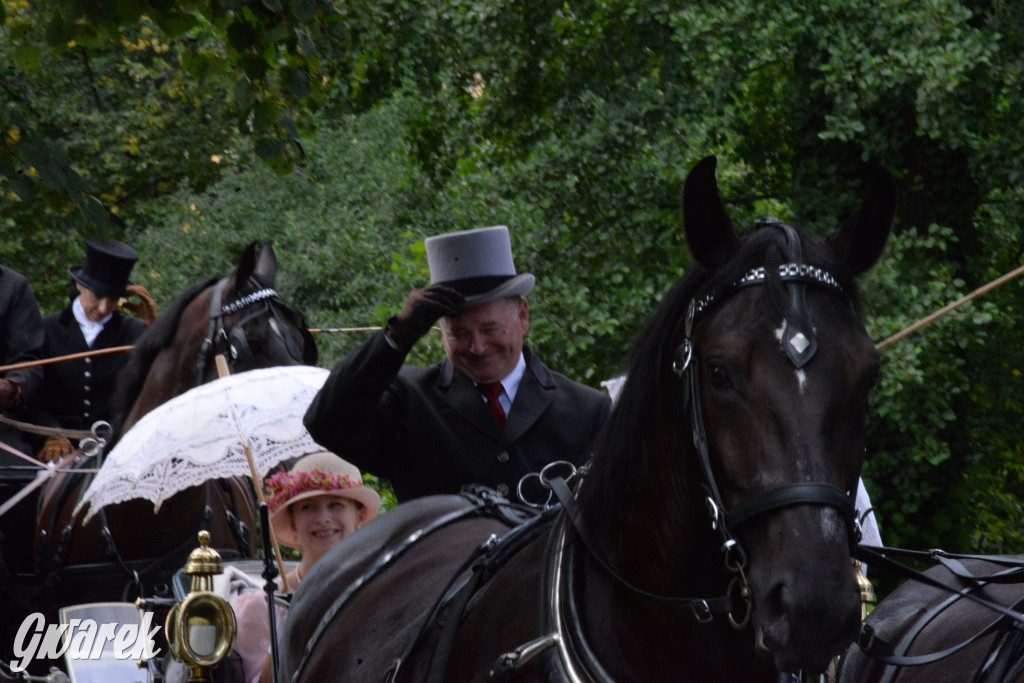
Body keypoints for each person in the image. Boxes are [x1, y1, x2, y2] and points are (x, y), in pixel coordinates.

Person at [304, 225, 611, 503]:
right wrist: (397, 335)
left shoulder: (588, 411)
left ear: (523, 316)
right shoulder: (409, 401)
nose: (477, 347)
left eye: (490, 329)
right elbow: (327, 423)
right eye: (460, 335)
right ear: (442, 335)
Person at [229, 452, 380, 683]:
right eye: (308, 507)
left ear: (359, 515)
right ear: (292, 521)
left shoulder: (382, 590)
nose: (323, 518)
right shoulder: (261, 609)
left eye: (336, 504)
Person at [32, 239, 157, 461]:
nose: (104, 308)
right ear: (80, 285)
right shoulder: (46, 329)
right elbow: (31, 394)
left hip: (116, 448)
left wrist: (157, 332)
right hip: (58, 448)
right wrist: (50, 433)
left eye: (113, 300)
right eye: (98, 296)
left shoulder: (135, 332)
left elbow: (156, 386)